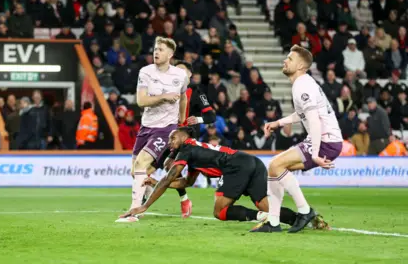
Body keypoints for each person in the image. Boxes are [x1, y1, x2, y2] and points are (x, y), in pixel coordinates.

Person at [120, 127, 300, 230]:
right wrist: (155, 182)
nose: (170, 142)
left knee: (220, 211)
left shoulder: (187, 148)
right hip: (252, 162)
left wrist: (144, 206)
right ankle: (302, 219)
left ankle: (262, 217)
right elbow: (185, 183)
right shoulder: (195, 153)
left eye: (172, 138)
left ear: (185, 136)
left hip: (235, 166)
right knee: (264, 204)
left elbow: (169, 178)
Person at [253, 45, 342, 233]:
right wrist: (278, 122)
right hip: (325, 140)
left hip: (326, 141)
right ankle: (274, 223)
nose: (285, 61)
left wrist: (316, 153)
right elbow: (301, 115)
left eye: (290, 59)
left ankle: (305, 210)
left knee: (276, 165)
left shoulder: (303, 85)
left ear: (301, 66)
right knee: (274, 167)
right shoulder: (303, 83)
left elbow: (315, 121)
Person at [116, 37, 189, 223]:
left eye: (161, 49)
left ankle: (135, 212)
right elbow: (141, 101)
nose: (156, 52)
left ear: (170, 54)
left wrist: (181, 121)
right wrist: (164, 97)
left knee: (141, 164)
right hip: (146, 126)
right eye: (155, 49)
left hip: (166, 129)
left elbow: (183, 98)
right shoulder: (146, 72)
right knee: (136, 172)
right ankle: (147, 196)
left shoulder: (180, 76)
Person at [150, 60, 216, 218]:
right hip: (170, 136)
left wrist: (198, 119)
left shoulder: (196, 91)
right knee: (165, 167)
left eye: (182, 71)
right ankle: (183, 199)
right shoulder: (168, 92)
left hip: (188, 139)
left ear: (189, 74)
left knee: (174, 168)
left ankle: (186, 198)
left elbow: (211, 115)